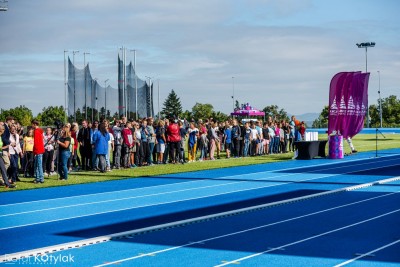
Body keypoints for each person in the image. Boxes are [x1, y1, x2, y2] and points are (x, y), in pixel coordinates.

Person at [0, 124, 16, 188]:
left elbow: (1, 147)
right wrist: (6, 146)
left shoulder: (1, 137)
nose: (4, 130)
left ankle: (7, 184)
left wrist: (6, 146)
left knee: (3, 168)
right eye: (3, 129)